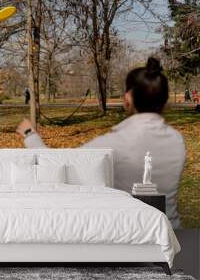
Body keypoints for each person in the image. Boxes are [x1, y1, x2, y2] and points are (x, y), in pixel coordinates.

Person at [16, 57, 186, 229]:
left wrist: (30, 135)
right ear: (164, 99)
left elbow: (59, 166)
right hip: (172, 232)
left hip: (130, 234)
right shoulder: (177, 140)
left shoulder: (113, 144)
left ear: (127, 98)